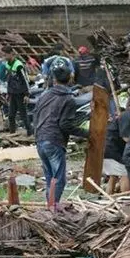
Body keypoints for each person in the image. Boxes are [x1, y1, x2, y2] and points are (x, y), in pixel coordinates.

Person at [34, 58, 89, 208]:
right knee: (58, 179)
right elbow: (65, 125)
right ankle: (53, 209)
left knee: (49, 177)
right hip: (54, 140)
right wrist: (87, 133)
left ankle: (49, 207)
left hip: (40, 139)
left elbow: (36, 115)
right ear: (70, 77)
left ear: (54, 78)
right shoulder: (68, 99)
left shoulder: (44, 95)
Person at [103, 92, 130, 194]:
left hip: (107, 149)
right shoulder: (128, 116)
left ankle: (109, 197)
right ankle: (125, 198)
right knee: (126, 171)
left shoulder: (126, 115)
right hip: (113, 150)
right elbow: (126, 137)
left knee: (113, 176)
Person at [1, 46, 31, 135]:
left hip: (20, 93)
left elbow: (25, 79)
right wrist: (8, 92)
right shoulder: (7, 64)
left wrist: (27, 94)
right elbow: (8, 79)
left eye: (5, 55)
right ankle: (12, 133)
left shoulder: (18, 65)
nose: (4, 57)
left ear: (11, 54)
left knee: (23, 114)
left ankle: (30, 132)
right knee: (11, 115)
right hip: (12, 93)